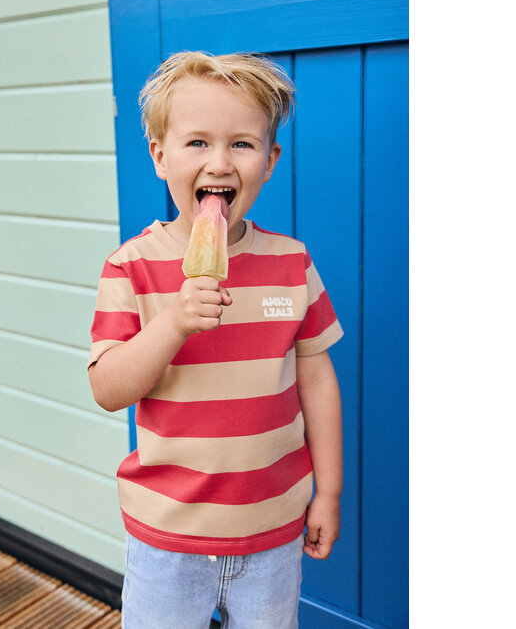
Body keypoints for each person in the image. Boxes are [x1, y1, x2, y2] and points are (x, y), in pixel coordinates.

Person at [88, 51, 344, 628]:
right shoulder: (131, 267)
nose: (220, 163)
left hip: (274, 530)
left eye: (242, 144)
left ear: (270, 160)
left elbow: (317, 381)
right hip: (169, 536)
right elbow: (108, 388)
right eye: (197, 143)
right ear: (159, 156)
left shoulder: (292, 263)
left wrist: (326, 492)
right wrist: (174, 321)